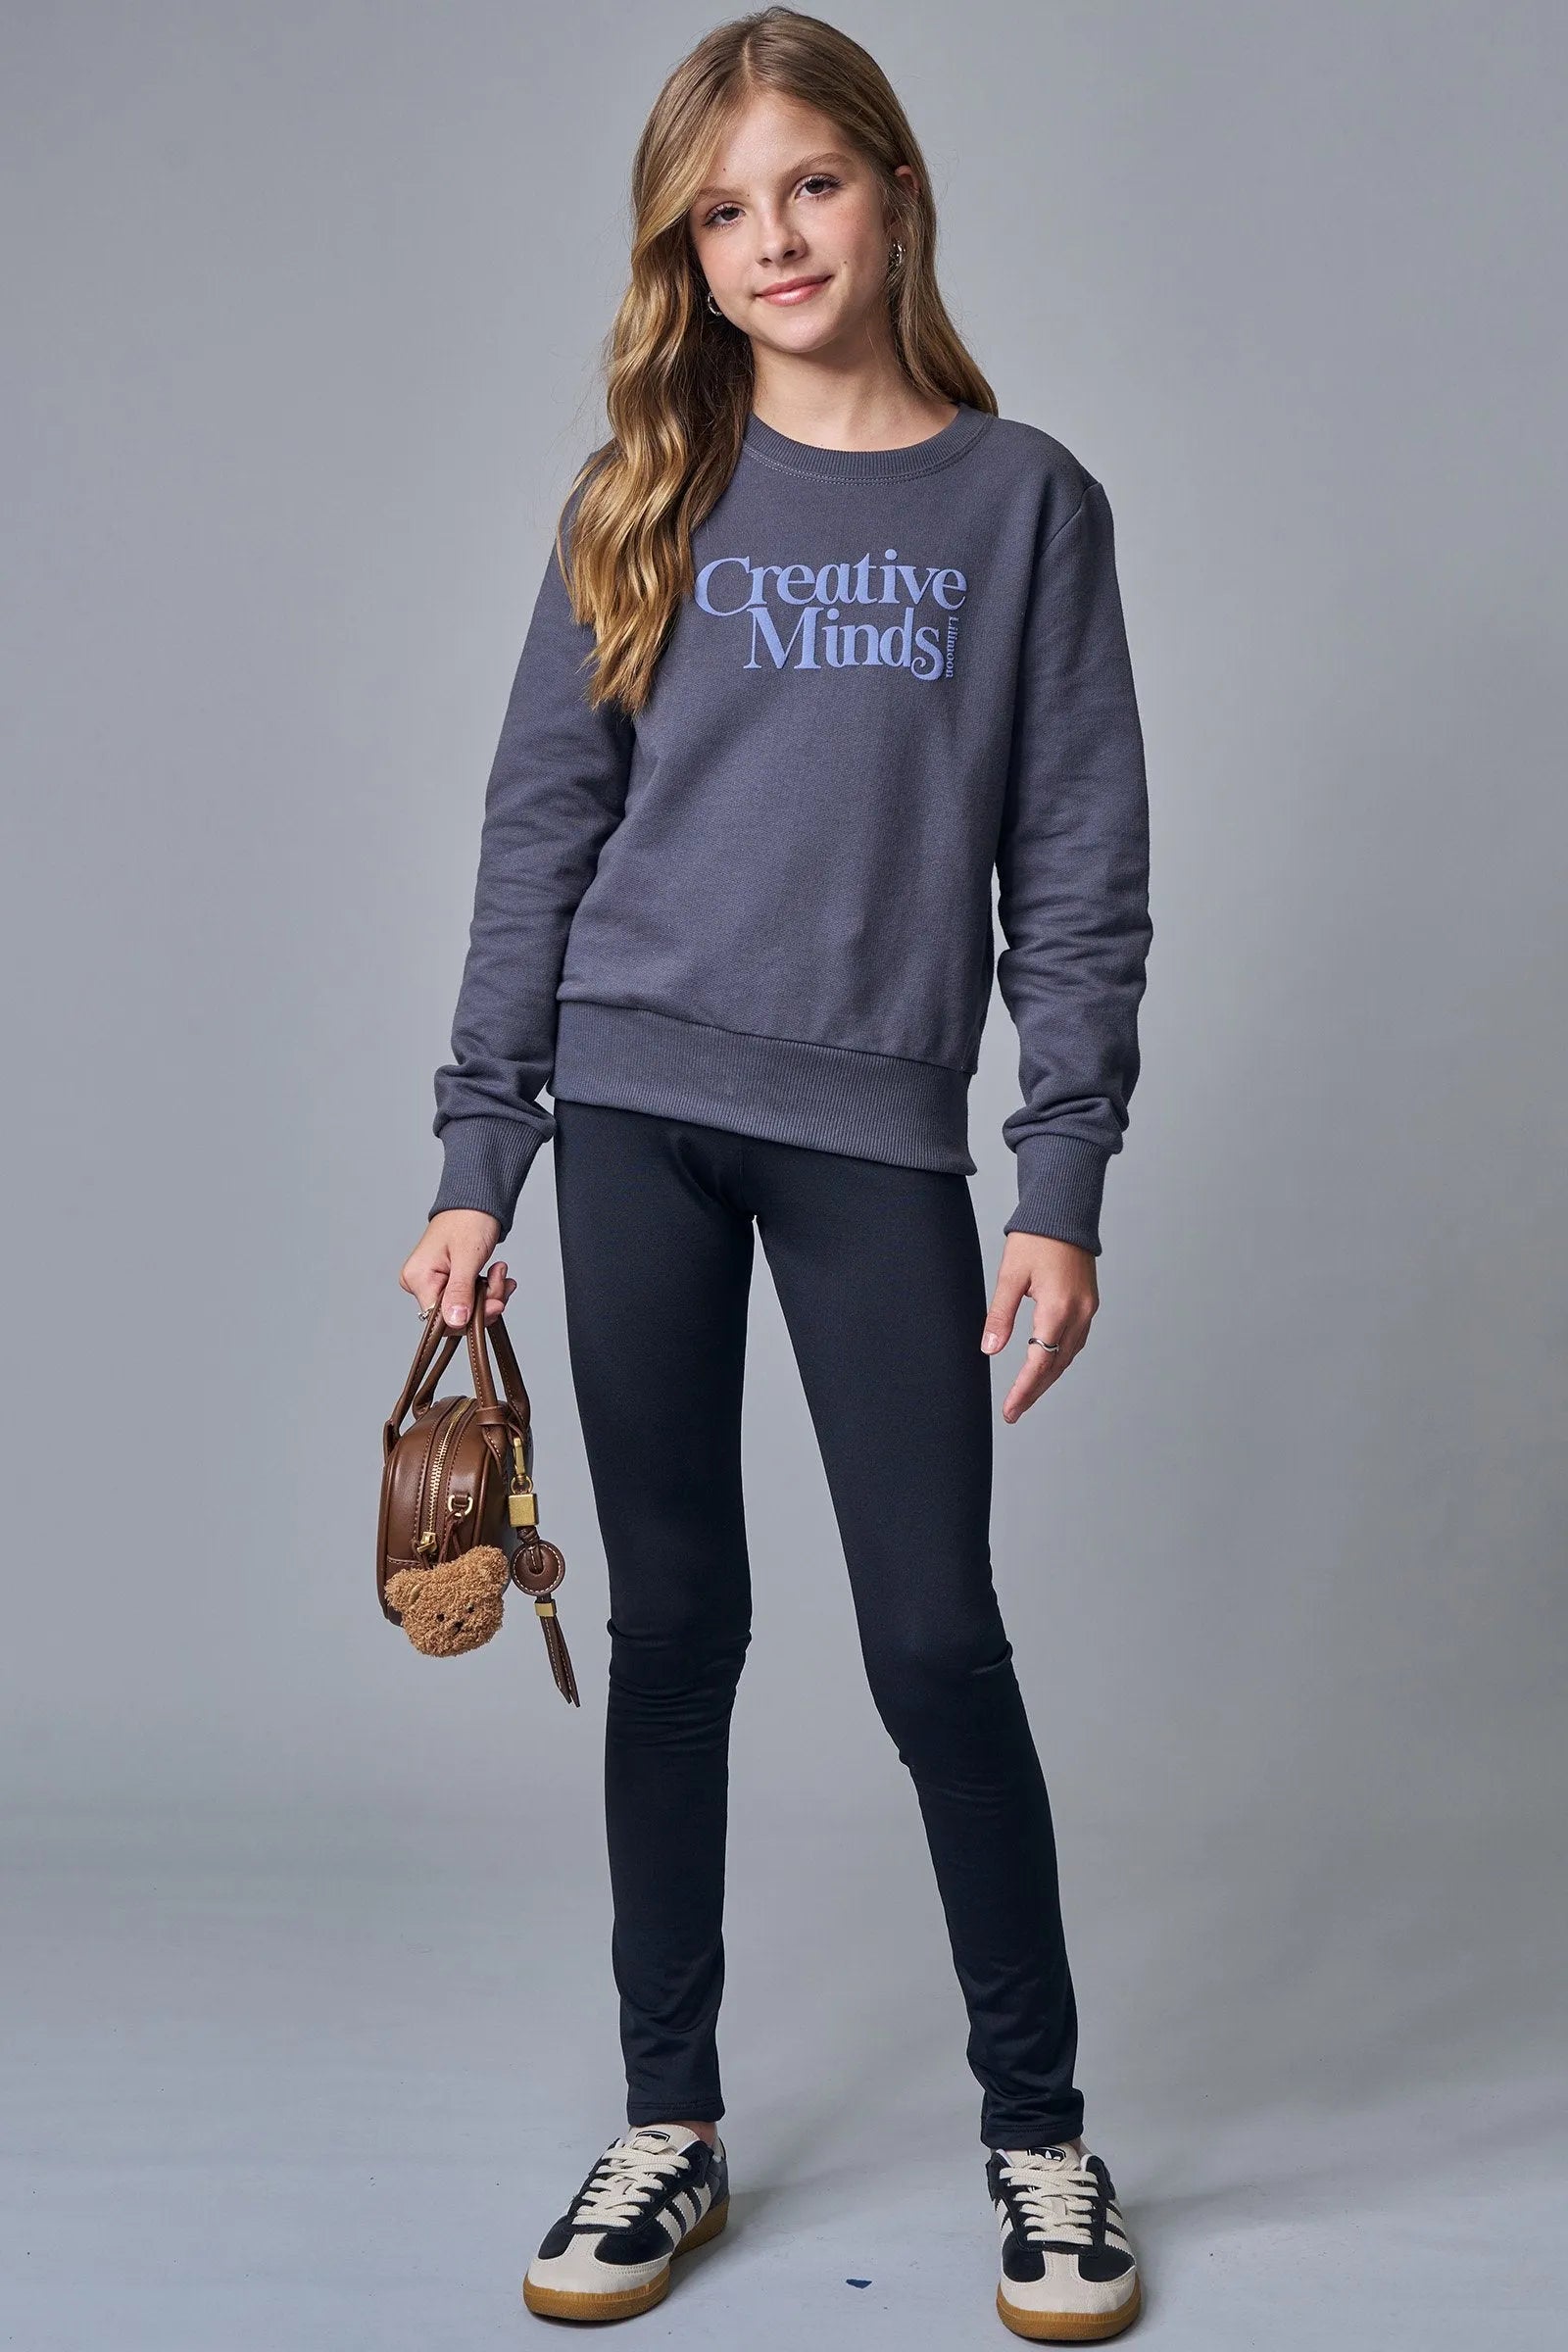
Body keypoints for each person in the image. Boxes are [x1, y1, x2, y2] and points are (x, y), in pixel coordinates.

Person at [399, 9, 1152, 2340]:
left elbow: (1077, 869)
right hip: (629, 1113)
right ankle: (671, 2123)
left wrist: (1056, 1180)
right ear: (682, 252)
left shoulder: (1021, 506)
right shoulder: (643, 490)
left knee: (930, 1640)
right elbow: (540, 831)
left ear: (890, 192)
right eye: (718, 212)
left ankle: (1040, 2142)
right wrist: (478, 1157)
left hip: (870, 1139)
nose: (769, 240)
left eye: (805, 185)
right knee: (675, 1634)